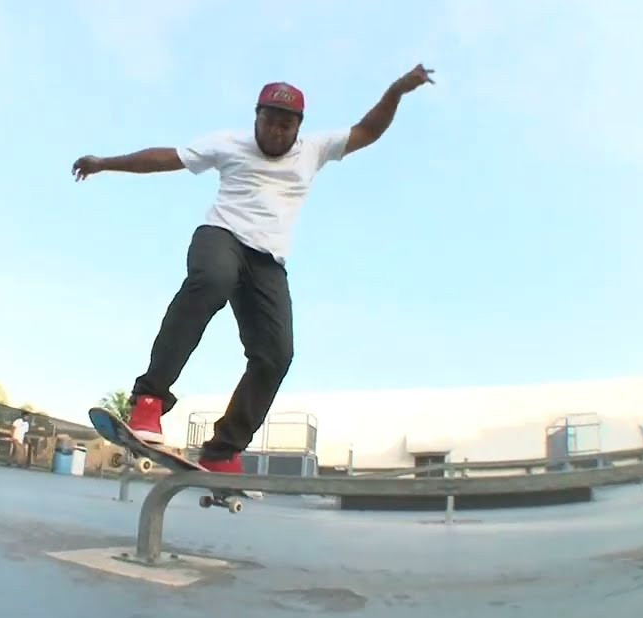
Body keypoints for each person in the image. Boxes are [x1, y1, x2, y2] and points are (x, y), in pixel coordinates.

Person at [72, 66, 434, 474]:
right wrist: (104, 162)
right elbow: (165, 158)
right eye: (270, 123)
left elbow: (367, 130)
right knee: (213, 280)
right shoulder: (227, 144)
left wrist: (397, 91)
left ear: (298, 127)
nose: (277, 133)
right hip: (221, 236)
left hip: (268, 262)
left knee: (276, 354)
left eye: (286, 126)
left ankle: (223, 449)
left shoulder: (315, 149)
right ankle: (150, 400)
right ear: (256, 119)